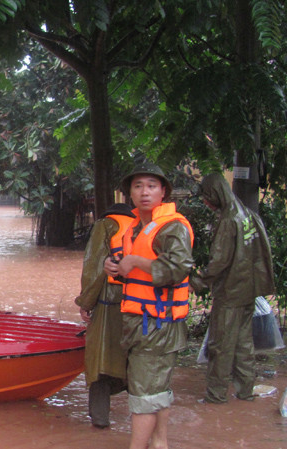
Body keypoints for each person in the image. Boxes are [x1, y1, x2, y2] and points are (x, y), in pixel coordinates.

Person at [104, 161, 193, 449]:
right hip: (143, 321)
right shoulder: (134, 228)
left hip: (156, 323)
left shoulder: (171, 228)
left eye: (151, 186)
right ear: (129, 193)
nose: (145, 192)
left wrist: (137, 262)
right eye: (138, 186)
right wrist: (113, 267)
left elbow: (178, 268)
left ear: (163, 191)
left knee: (143, 393)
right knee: (155, 387)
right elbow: (130, 274)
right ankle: (159, 442)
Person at [189, 173, 275, 404]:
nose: (206, 202)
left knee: (221, 345)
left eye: (207, 197)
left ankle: (215, 396)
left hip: (230, 293)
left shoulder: (229, 219)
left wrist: (197, 281)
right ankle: (245, 392)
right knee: (243, 345)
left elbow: (219, 261)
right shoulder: (246, 213)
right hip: (247, 291)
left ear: (215, 194)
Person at [74, 203, 135, 428]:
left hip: (109, 301)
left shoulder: (105, 225)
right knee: (134, 359)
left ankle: (100, 419)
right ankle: (141, 423)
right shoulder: (142, 225)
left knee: (99, 359)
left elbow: (94, 266)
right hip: (140, 302)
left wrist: (85, 302)